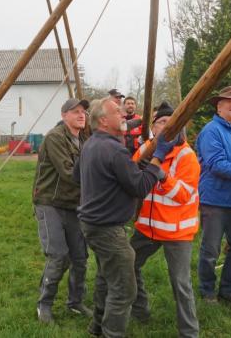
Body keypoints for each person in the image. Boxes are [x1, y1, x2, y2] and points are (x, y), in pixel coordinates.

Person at [73, 97, 179, 338]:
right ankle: (112, 333)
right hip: (108, 229)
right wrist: (157, 158)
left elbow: (75, 176)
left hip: (91, 224)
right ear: (103, 120)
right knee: (124, 290)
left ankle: (97, 328)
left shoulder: (90, 144)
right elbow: (141, 187)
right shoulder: (114, 149)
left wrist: (117, 176)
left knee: (105, 277)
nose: (123, 115)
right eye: (117, 112)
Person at [130, 101, 200, 338]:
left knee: (181, 284)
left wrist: (160, 175)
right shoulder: (148, 149)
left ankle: (189, 333)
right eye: (161, 122)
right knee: (129, 266)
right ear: (153, 128)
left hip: (176, 232)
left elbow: (182, 195)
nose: (167, 126)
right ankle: (140, 310)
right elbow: (131, 173)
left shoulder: (187, 156)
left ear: (181, 128)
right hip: (147, 227)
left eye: (173, 122)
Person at [32, 98, 92, 324]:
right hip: (50, 202)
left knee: (80, 257)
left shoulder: (84, 139)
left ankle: (75, 302)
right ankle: (44, 304)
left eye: (83, 112)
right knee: (58, 255)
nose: (81, 115)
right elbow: (69, 173)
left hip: (74, 204)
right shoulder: (54, 138)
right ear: (64, 114)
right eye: (75, 111)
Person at [195, 86, 231, 307]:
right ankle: (207, 291)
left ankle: (228, 291)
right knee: (211, 249)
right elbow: (217, 164)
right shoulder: (211, 131)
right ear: (219, 107)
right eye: (230, 101)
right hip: (215, 200)